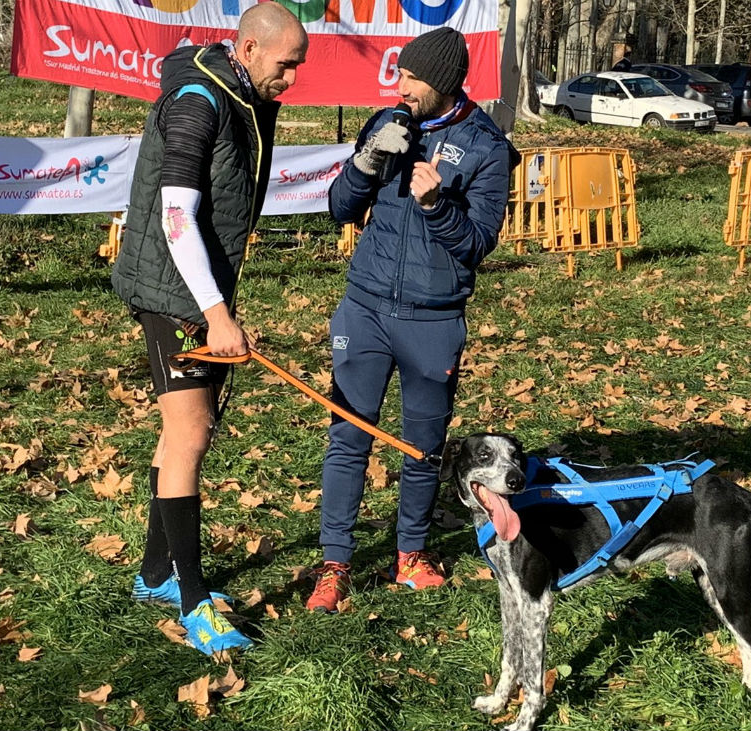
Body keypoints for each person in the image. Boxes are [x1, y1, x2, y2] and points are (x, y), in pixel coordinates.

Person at [110, 3, 307, 654]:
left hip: (200, 286)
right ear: (249, 48)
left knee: (188, 430)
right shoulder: (199, 101)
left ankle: (155, 573)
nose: (293, 77)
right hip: (172, 289)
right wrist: (216, 314)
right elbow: (174, 217)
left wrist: (220, 301)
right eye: (287, 63)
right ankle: (195, 602)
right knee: (190, 434)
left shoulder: (242, 92)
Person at [305, 27, 519, 613]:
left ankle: (411, 554)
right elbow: (339, 208)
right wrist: (365, 161)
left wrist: (436, 206)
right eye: (398, 75)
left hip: (433, 319)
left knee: (422, 447)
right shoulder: (385, 123)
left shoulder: (486, 147)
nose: (399, 86)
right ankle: (335, 562)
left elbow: (476, 243)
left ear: (444, 83)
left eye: (410, 78)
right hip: (365, 308)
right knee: (349, 436)